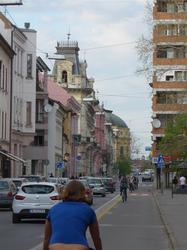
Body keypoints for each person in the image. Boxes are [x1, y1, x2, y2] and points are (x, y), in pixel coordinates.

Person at [43, 180, 102, 250]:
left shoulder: (53, 209)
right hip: (79, 247)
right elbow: (96, 237)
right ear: (83, 193)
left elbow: (47, 238)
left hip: (55, 247)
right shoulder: (88, 210)